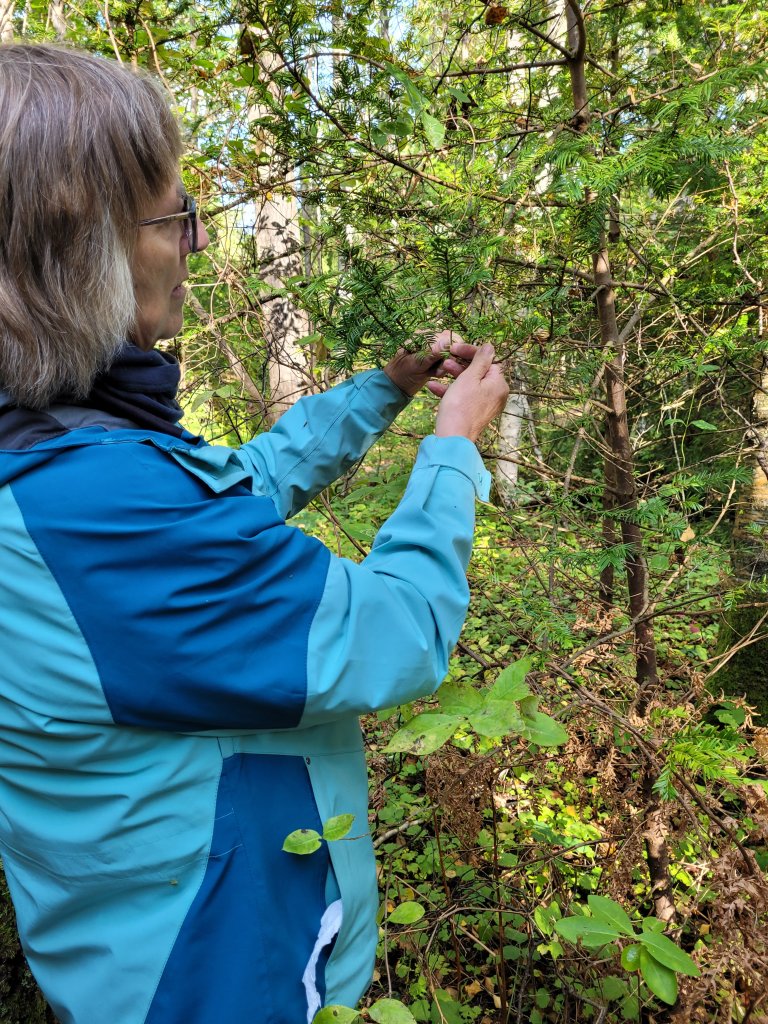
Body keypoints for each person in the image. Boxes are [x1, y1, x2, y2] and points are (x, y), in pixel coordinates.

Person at [0, 42, 509, 1024]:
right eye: (175, 215)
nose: (196, 243)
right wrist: (453, 452)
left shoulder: (60, 459)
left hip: (144, 959)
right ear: (82, 248)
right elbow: (399, 633)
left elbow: (239, 486)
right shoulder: (96, 509)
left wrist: (384, 390)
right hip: (217, 981)